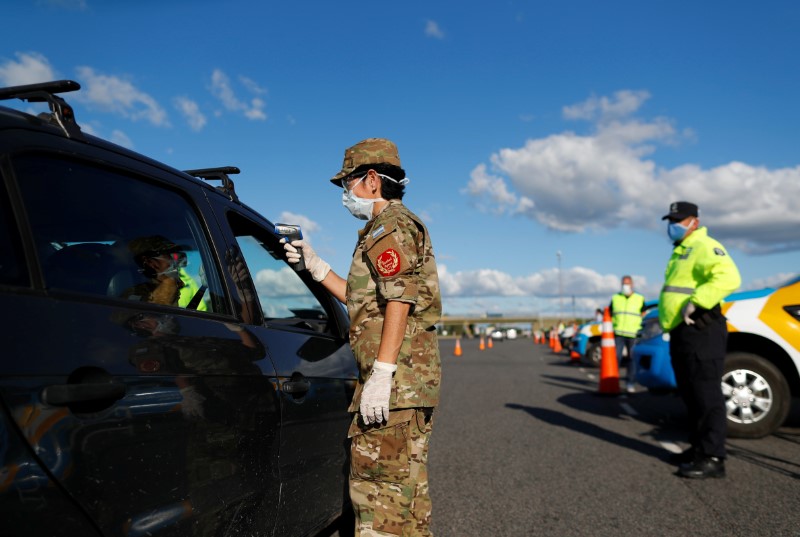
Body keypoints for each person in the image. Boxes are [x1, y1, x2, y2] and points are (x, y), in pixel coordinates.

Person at [283, 138, 441, 536]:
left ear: (372, 180)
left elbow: (399, 300)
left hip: (395, 385)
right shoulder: (386, 228)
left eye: (347, 182)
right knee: (406, 503)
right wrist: (315, 268)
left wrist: (383, 373)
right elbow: (364, 299)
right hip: (406, 387)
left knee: (379, 504)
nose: (345, 193)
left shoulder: (390, 227)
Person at [658, 201, 741, 479]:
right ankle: (698, 449)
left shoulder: (704, 245)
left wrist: (698, 301)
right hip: (684, 331)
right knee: (692, 395)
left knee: (706, 395)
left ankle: (713, 457)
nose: (673, 225)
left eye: (678, 220)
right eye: (671, 219)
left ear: (694, 221)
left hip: (701, 331)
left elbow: (729, 277)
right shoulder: (682, 250)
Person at [609, 275, 645, 393]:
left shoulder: (639, 298)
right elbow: (609, 314)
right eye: (624, 284)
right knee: (615, 358)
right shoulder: (615, 298)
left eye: (628, 283)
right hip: (618, 332)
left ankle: (630, 383)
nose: (626, 286)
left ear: (632, 284)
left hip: (633, 333)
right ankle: (614, 381)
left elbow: (644, 313)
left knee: (632, 359)